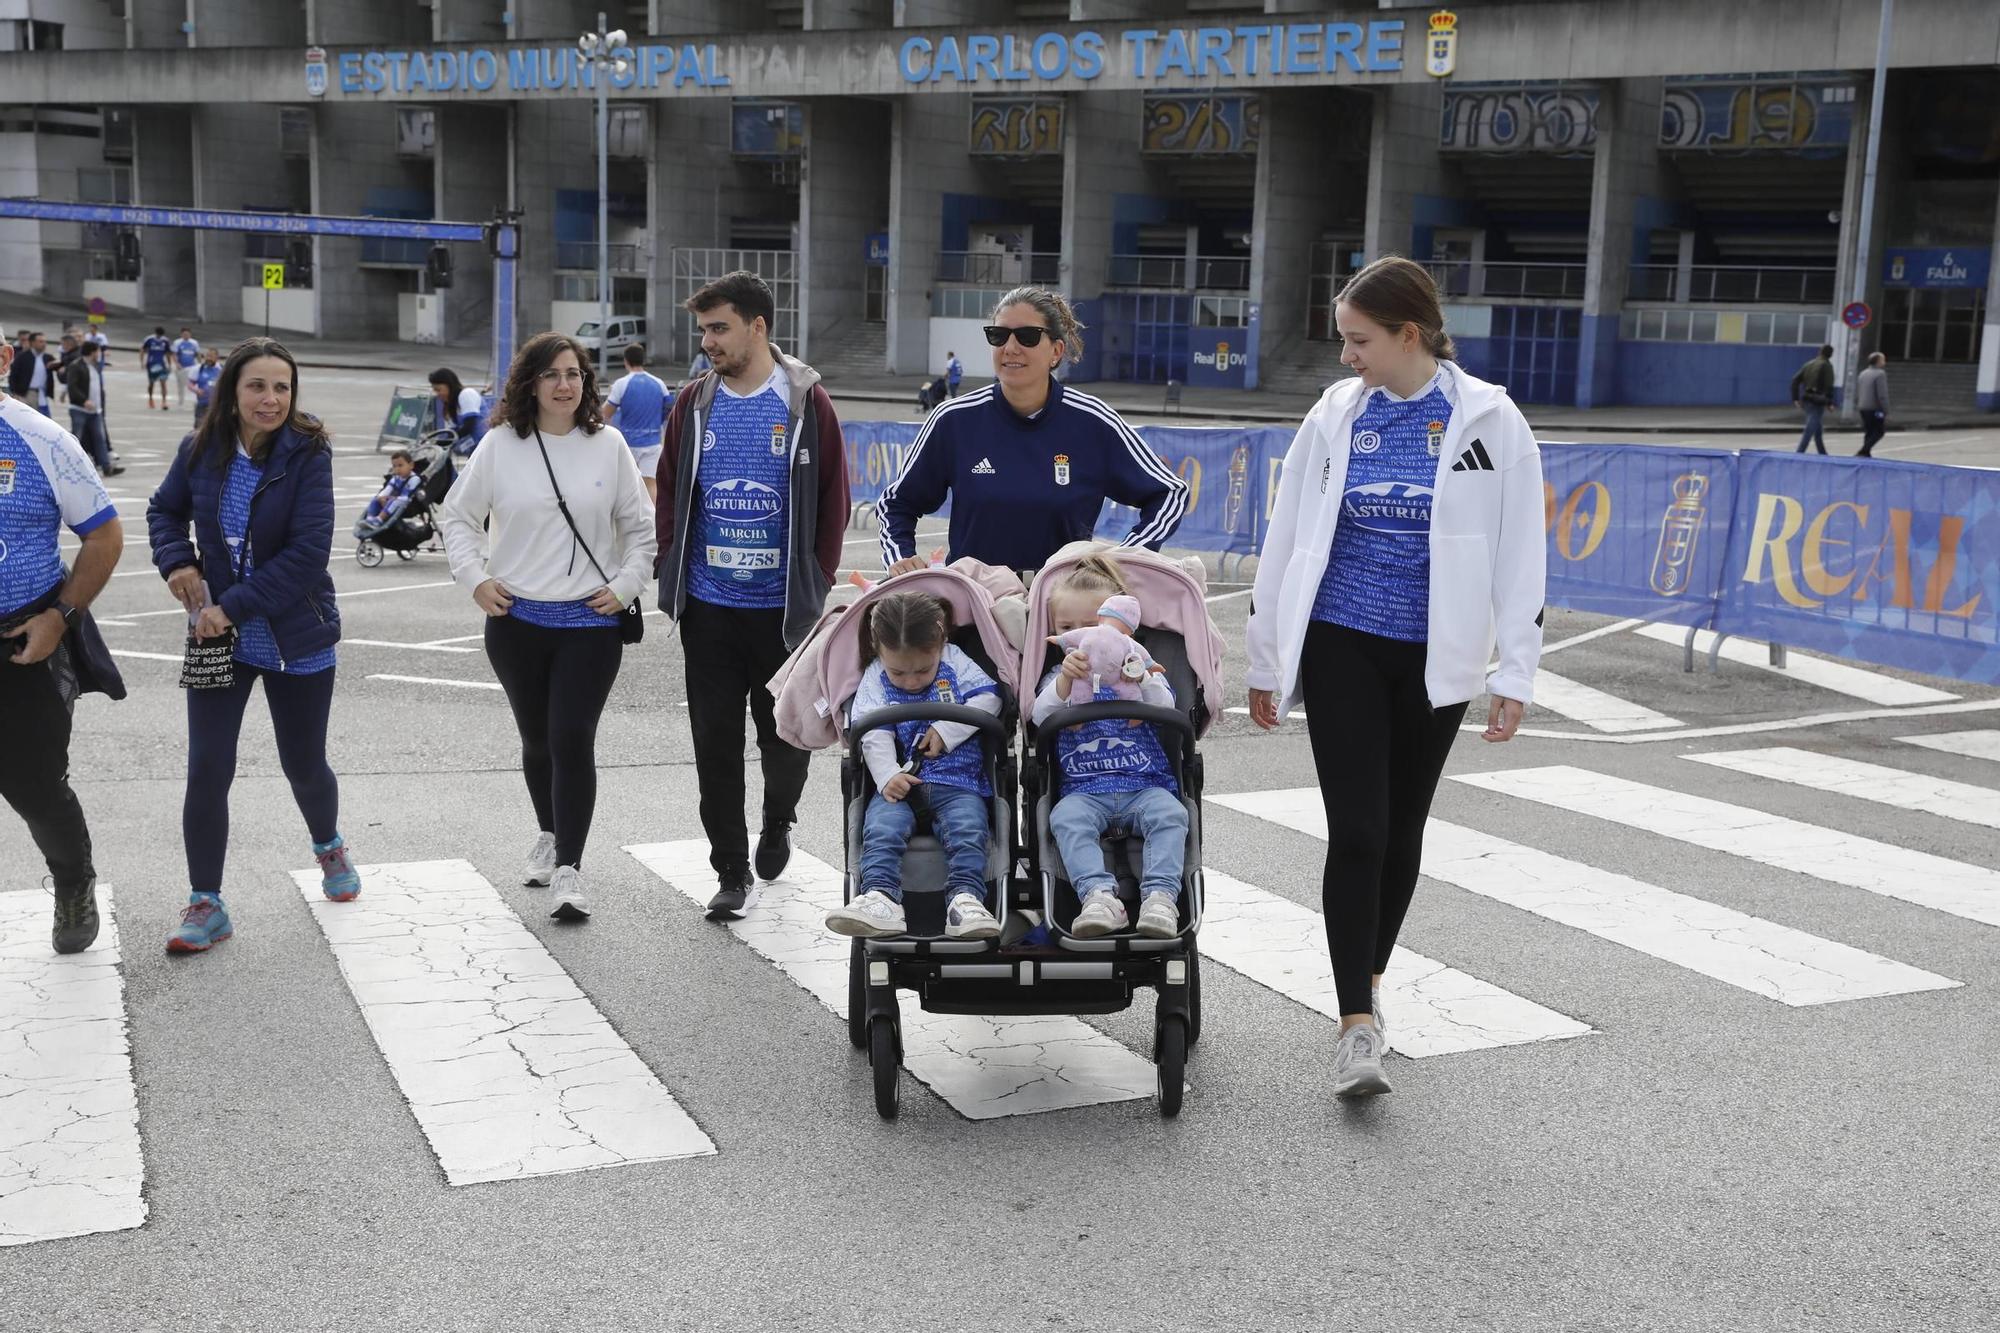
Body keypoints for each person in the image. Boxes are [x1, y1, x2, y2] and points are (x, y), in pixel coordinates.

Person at [1244, 255, 1544, 1100]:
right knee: (1360, 831)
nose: (1347, 356)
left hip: (1435, 654)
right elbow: (1287, 532)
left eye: (1359, 340)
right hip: (1342, 640)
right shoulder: (1337, 415)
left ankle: (1367, 982)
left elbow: (1523, 553)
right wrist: (1266, 656)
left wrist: (1514, 669)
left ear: (1409, 334)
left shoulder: (1489, 418)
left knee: (1404, 828)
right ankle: (1355, 1026)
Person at [146, 338, 360, 955]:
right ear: (232, 392)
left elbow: (307, 555)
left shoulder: (308, 452)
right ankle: (206, 902)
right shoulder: (200, 449)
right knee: (208, 766)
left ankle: (329, 845)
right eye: (257, 387)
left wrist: (227, 607)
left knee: (303, 763)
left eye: (282, 388)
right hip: (218, 638)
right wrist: (177, 562)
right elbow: (163, 512)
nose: (271, 400)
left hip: (296, 633)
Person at [440, 332, 655, 923]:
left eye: (575, 374)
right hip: (516, 624)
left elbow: (642, 530)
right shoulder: (500, 446)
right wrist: (475, 579)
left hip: (590, 625)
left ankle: (570, 868)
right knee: (536, 740)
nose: (566, 385)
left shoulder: (608, 445)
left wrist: (627, 586)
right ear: (529, 383)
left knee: (570, 739)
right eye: (553, 374)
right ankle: (547, 832)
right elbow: (457, 516)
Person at [655, 270, 848, 918]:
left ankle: (778, 819)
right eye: (703, 329)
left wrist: (814, 583)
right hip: (709, 609)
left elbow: (832, 500)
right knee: (713, 743)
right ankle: (730, 871)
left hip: (782, 615)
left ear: (757, 326)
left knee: (785, 740)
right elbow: (671, 490)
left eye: (719, 328)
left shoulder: (803, 401)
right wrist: (669, 567)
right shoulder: (693, 403)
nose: (708, 341)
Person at [877, 286, 1188, 579]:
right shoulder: (954, 420)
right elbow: (896, 503)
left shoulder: (1093, 422)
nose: (1010, 347)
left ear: (1056, 350)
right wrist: (899, 558)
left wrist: (1127, 558)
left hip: (1064, 610)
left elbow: (1170, 492)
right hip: (976, 606)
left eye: (1027, 336)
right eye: (998, 336)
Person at [0, 338, 123, 955]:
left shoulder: (43, 439)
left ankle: (73, 881)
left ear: (2, 360)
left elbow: (103, 536)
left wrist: (60, 617)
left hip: (22, 639)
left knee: (33, 784)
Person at [823, 592, 1002, 941]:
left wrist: (947, 728)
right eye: (898, 672)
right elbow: (871, 730)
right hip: (900, 782)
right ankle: (881, 897)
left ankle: (965, 899)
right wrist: (887, 774)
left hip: (958, 779)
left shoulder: (955, 661)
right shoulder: (875, 676)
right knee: (880, 831)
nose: (911, 681)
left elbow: (990, 697)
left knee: (968, 829)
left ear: (941, 640)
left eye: (923, 670)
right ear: (878, 649)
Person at [1033, 560, 1187, 940]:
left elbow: (1165, 708)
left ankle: (1161, 897)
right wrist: (1067, 681)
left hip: (1144, 783)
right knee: (1065, 818)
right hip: (1084, 790)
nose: (1082, 636)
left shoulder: (1141, 671)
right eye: (1067, 628)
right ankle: (1099, 897)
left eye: (1092, 626)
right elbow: (1040, 716)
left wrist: (1140, 672)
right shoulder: (1059, 677)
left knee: (1171, 814)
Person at [602, 342, 669, 504]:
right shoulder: (659, 383)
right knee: (650, 485)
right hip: (653, 442)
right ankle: (653, 523)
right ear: (643, 360)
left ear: (626, 361)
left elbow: (605, 413)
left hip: (628, 443)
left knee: (624, 486)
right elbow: (668, 410)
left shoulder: (621, 384)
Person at [63, 337, 121, 476]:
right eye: (98, 351)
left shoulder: (95, 365)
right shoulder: (76, 366)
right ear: (92, 352)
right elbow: (73, 387)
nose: (99, 354)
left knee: (100, 439)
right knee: (77, 438)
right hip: (80, 409)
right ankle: (71, 466)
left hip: (95, 411)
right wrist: (84, 401)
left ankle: (106, 467)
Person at [1790, 342, 1836, 455]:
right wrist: (1829, 402)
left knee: (1817, 429)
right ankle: (1799, 454)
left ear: (1820, 351)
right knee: (1810, 429)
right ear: (1830, 355)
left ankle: (1823, 455)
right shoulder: (1827, 365)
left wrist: (1795, 398)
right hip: (1818, 400)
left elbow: (1795, 380)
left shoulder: (1809, 364)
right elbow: (1829, 385)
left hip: (1806, 398)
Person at [426, 367, 484, 443]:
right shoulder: (451, 405)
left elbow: (469, 426)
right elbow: (452, 432)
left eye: (439, 390)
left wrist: (446, 442)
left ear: (449, 385)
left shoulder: (467, 394)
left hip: (482, 442)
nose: (437, 394)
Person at [365, 449, 423, 522]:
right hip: (394, 500)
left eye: (400, 465)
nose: (397, 469)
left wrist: (390, 498)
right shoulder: (395, 478)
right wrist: (381, 497)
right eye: (394, 466)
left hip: (407, 503)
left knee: (394, 501)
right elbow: (387, 489)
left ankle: (380, 519)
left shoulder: (414, 479)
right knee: (376, 499)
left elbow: (405, 496)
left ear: (411, 465)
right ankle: (369, 518)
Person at [1856, 352, 1889, 458]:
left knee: (1869, 431)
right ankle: (1863, 451)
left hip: (1863, 407)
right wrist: (1885, 409)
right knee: (1879, 431)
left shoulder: (1863, 373)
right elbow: (1881, 394)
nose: (1884, 362)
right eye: (1883, 360)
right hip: (1875, 408)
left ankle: (1866, 454)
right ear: (1878, 361)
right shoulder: (1880, 374)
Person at [142, 326, 172, 410]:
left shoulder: (165, 341)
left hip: (162, 364)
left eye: (160, 335)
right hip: (151, 364)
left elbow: (168, 353)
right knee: (152, 383)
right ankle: (150, 398)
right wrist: (142, 362)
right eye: (158, 335)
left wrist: (169, 365)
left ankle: (164, 402)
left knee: (163, 383)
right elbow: (143, 350)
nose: (159, 336)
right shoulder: (149, 339)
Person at [191, 346, 222, 425]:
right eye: (207, 356)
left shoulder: (222, 370)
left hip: (217, 406)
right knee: (198, 429)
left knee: (215, 428)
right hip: (202, 405)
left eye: (211, 356)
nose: (208, 358)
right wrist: (196, 390)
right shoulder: (199, 368)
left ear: (216, 357)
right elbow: (190, 383)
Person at [171, 327, 201, 406]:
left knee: (191, 384)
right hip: (181, 367)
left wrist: (200, 364)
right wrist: (177, 364)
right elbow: (174, 354)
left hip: (191, 367)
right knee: (180, 385)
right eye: (184, 334)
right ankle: (181, 401)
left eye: (187, 334)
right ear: (181, 334)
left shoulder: (194, 343)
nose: (186, 336)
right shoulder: (177, 342)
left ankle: (195, 400)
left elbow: (197, 354)